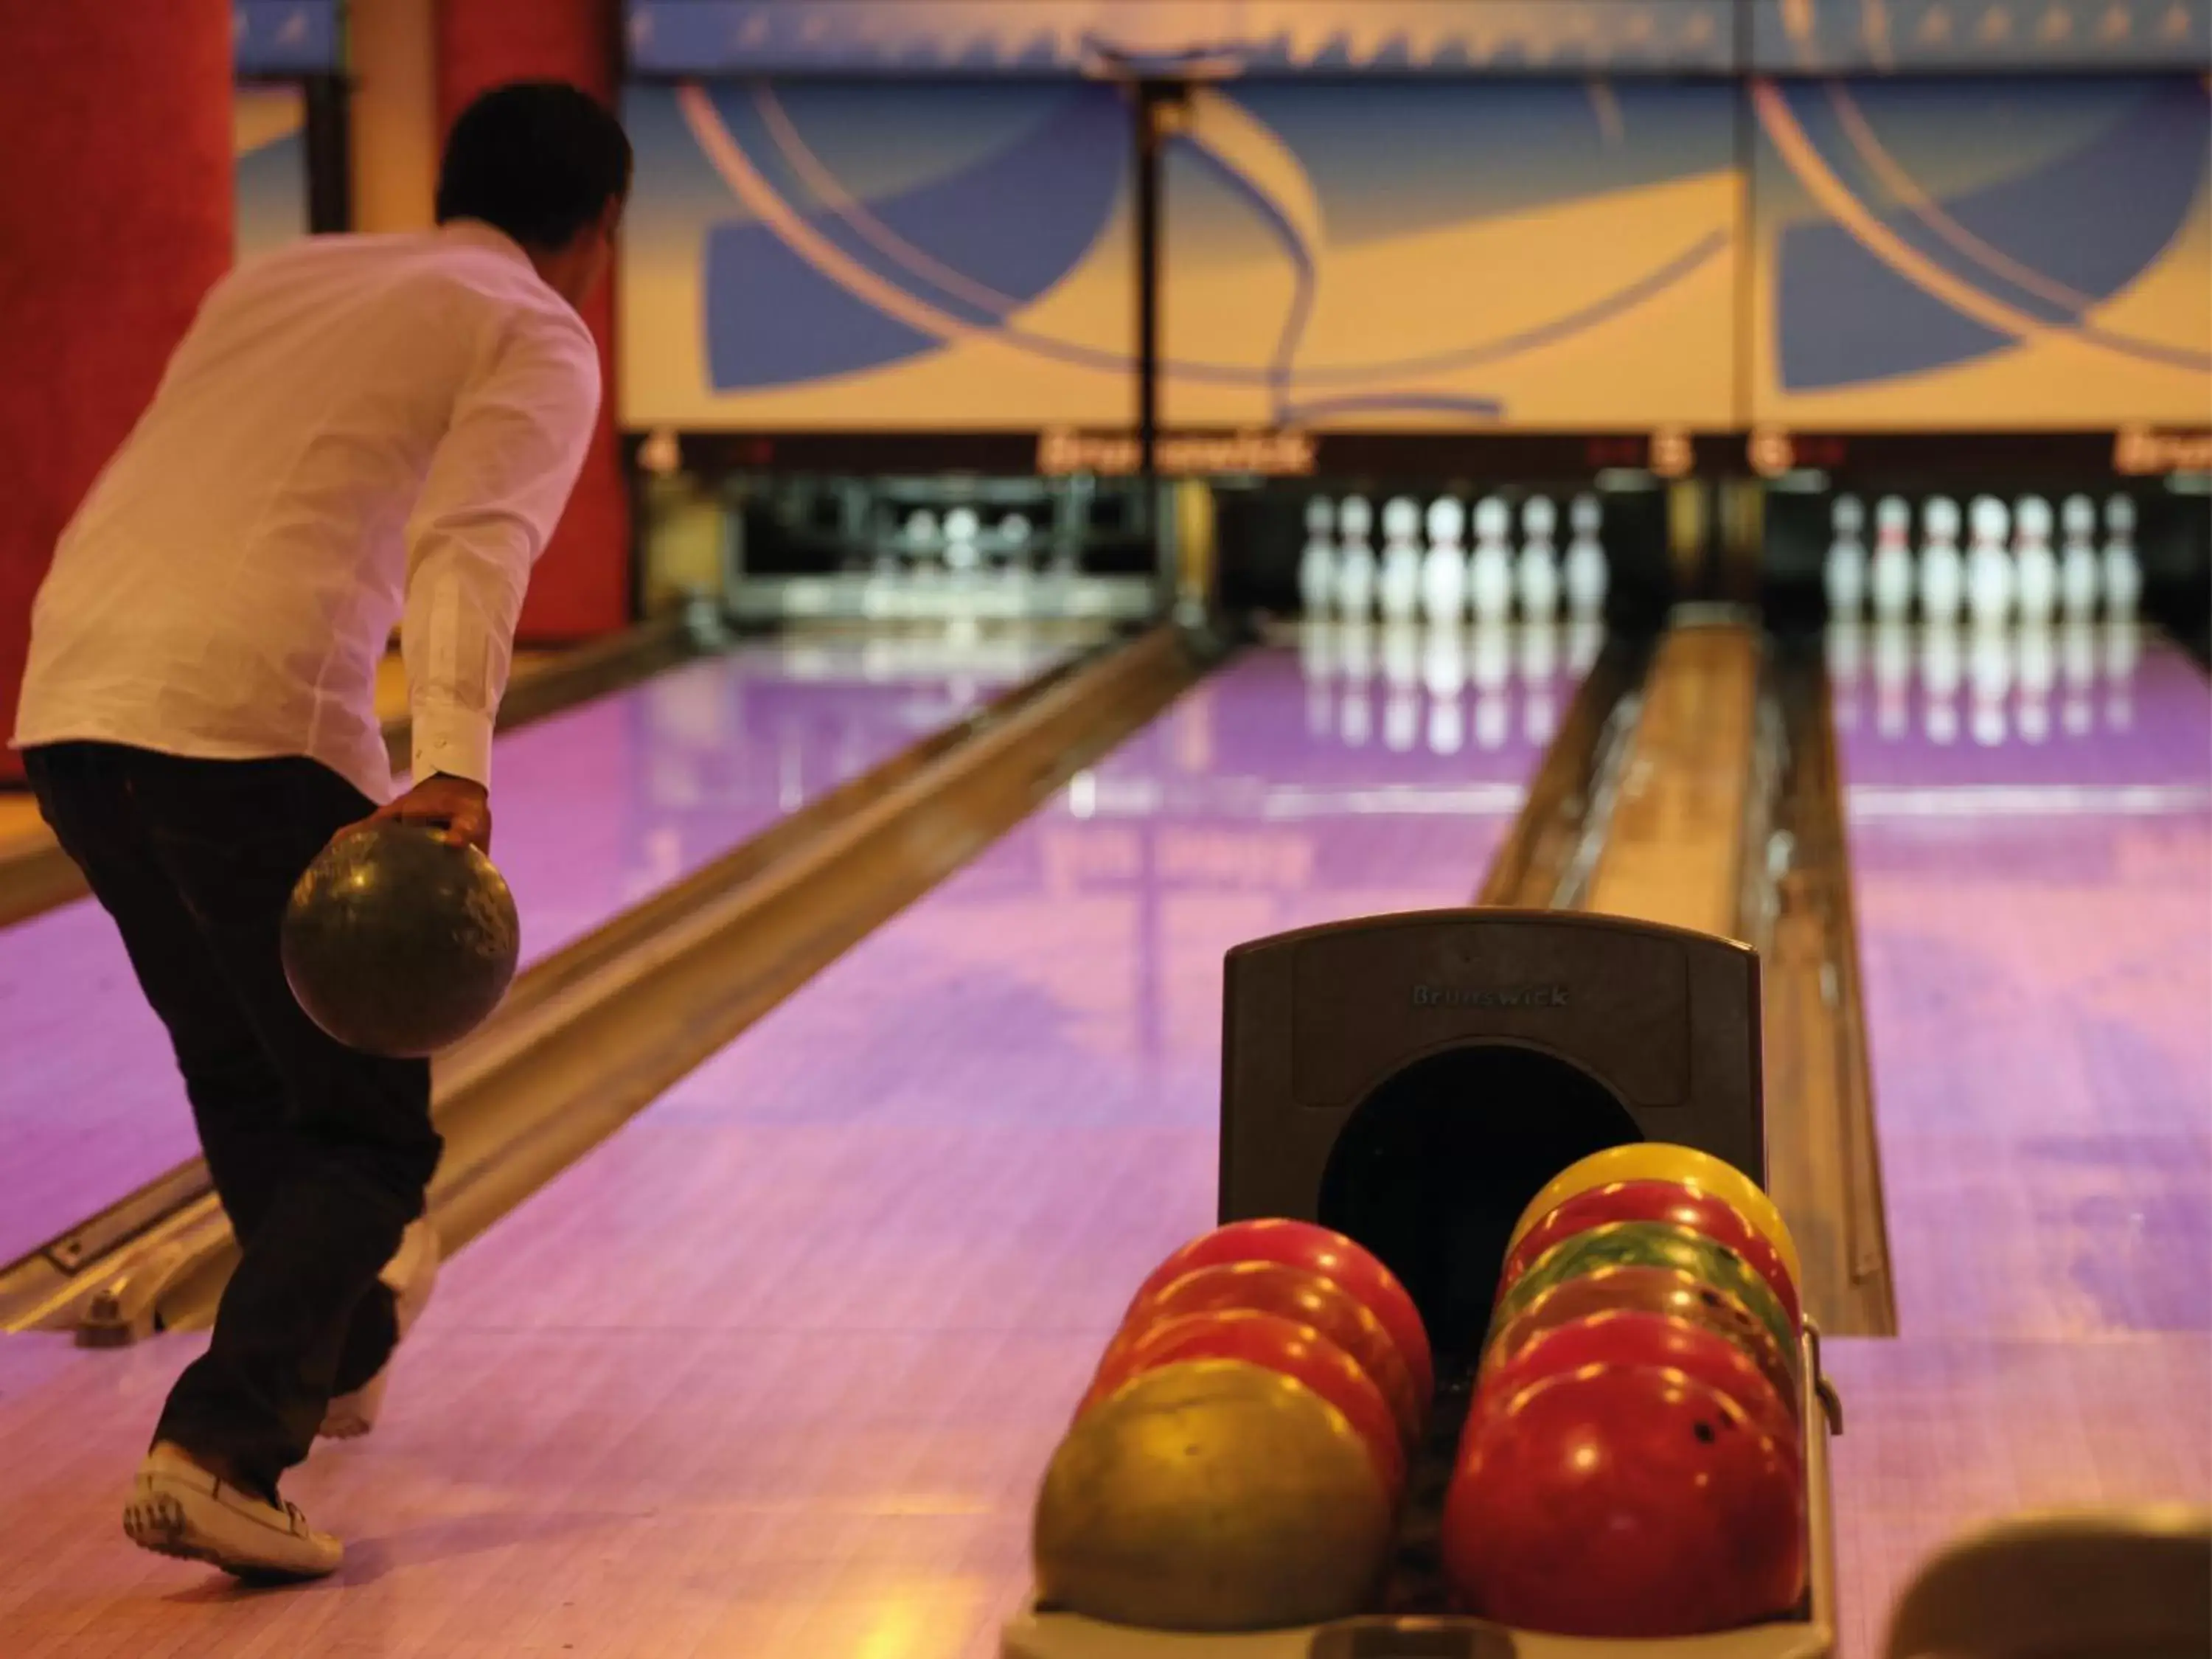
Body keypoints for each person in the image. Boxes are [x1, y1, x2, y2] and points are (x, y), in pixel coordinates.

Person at [10, 81, 630, 1580]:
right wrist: (458, 764)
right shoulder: (534, 326)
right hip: (246, 717)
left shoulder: (279, 277)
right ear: (597, 231)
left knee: (249, 1078)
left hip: (74, 704)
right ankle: (221, 1447)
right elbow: (472, 541)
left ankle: (336, 1350)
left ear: (452, 179)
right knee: (365, 1130)